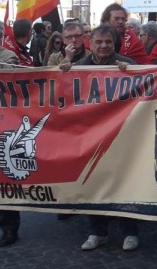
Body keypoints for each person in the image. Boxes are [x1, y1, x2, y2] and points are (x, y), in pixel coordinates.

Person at [59, 25, 140, 250]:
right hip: (91, 137)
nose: (104, 46)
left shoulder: (127, 64)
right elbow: (62, 92)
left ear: (114, 44)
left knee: (123, 184)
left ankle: (130, 232)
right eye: (99, 42)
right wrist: (65, 68)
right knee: (92, 184)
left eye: (108, 42)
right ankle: (97, 232)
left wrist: (131, 73)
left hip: (121, 135)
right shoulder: (79, 67)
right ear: (90, 43)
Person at [0, 15, 21, 246]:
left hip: (1, 124)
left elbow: (10, 75)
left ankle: (9, 228)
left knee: (3, 178)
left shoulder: (8, 55)